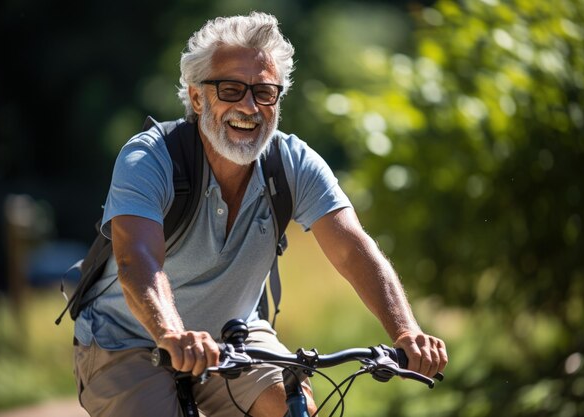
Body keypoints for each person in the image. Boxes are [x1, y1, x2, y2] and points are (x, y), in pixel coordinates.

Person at [72, 11, 448, 417]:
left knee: (292, 406)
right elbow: (137, 261)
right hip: (127, 339)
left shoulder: (293, 164)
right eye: (231, 89)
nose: (249, 107)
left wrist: (406, 330)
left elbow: (354, 249)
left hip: (236, 334)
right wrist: (172, 334)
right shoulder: (150, 158)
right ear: (197, 97)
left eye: (265, 92)